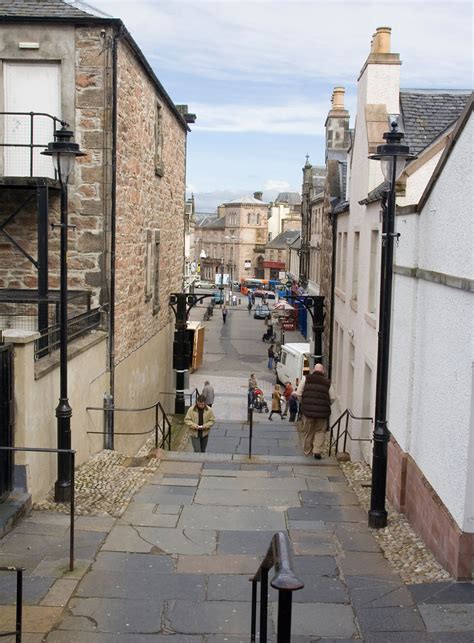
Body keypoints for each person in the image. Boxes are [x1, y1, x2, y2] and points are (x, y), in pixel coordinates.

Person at [296, 363, 335, 459]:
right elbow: (333, 397)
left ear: (313, 370)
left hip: (308, 412)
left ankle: (307, 450)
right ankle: (317, 451)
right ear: (323, 371)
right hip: (322, 413)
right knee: (320, 431)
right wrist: (326, 404)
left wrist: (303, 402)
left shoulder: (306, 379)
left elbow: (298, 393)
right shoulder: (327, 382)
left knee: (308, 431)